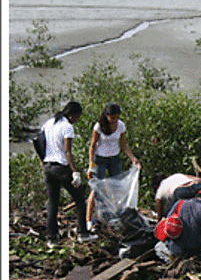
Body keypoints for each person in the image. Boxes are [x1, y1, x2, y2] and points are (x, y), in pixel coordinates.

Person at [41, 101, 97, 247]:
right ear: (72, 115)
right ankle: (83, 233)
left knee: (53, 202)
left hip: (48, 166)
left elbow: (39, 142)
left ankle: (51, 238)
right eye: (77, 117)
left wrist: (43, 162)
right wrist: (75, 172)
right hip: (61, 167)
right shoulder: (67, 127)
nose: (77, 120)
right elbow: (67, 151)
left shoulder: (49, 123)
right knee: (80, 200)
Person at [86, 103, 141, 228]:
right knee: (96, 189)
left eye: (117, 117)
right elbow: (93, 146)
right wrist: (91, 164)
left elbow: (124, 145)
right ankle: (88, 220)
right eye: (112, 118)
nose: (115, 120)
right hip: (100, 160)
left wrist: (133, 158)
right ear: (107, 116)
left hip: (114, 159)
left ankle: (116, 216)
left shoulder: (121, 126)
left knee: (117, 188)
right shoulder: (99, 126)